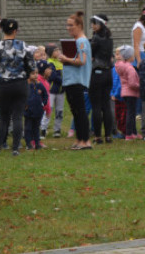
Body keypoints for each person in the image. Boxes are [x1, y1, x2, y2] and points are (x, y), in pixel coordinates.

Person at [0, 18, 36, 157]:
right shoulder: (23, 45)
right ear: (15, 31)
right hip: (20, 84)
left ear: (2, 30)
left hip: (3, 85)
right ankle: (15, 149)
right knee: (18, 116)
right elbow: (32, 66)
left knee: (3, 117)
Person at [58, 11, 93, 150]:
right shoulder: (76, 41)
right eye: (67, 25)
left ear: (79, 25)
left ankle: (85, 141)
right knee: (76, 112)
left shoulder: (82, 41)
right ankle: (79, 139)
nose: (68, 28)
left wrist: (66, 59)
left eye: (71, 25)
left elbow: (82, 61)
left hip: (77, 81)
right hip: (70, 81)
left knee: (80, 111)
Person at [89, 14, 115, 144]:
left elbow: (90, 55)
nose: (92, 26)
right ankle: (108, 136)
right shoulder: (109, 39)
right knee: (106, 105)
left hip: (97, 73)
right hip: (108, 73)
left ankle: (98, 136)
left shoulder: (96, 39)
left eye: (94, 23)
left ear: (99, 25)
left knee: (96, 106)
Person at [115, 45, 140, 140]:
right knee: (131, 113)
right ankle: (129, 133)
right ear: (129, 57)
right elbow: (132, 83)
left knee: (131, 112)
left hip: (124, 92)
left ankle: (134, 132)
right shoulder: (130, 68)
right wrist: (139, 86)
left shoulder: (121, 66)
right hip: (131, 92)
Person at [24, 67, 48, 151]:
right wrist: (24, 105)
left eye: (36, 73)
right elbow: (22, 97)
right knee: (28, 128)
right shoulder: (25, 85)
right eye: (33, 73)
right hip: (28, 111)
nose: (35, 75)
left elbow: (45, 95)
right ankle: (28, 143)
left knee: (36, 128)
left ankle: (37, 143)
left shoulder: (39, 84)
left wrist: (43, 103)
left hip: (38, 110)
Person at [46, 44, 66, 138]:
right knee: (49, 109)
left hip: (61, 91)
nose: (58, 52)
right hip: (51, 91)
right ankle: (43, 128)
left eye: (59, 50)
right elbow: (53, 76)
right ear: (50, 53)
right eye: (55, 50)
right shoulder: (49, 63)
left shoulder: (62, 62)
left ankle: (57, 130)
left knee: (60, 111)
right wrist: (64, 81)